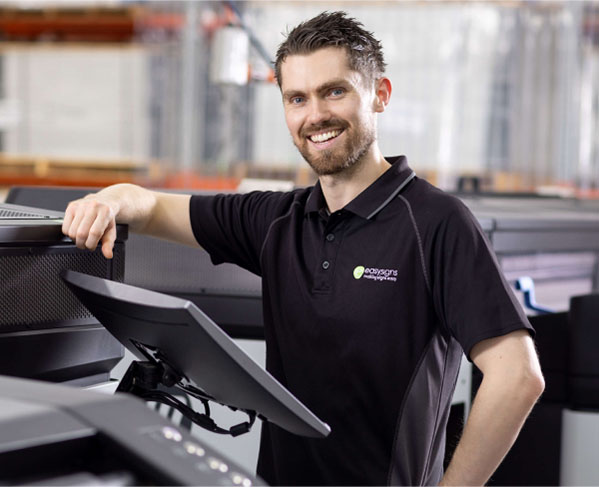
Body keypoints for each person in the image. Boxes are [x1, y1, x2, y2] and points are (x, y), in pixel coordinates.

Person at [63, 11, 544, 486]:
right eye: (297, 98)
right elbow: (148, 207)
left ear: (379, 95)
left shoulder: (437, 224)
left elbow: (517, 376)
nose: (315, 115)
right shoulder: (276, 220)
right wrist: (106, 200)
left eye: (334, 91)